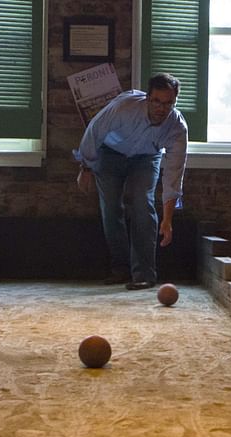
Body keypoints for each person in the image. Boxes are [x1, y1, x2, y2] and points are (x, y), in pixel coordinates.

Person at [75, 73, 188, 290]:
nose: (161, 108)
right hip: (109, 153)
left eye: (168, 103)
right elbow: (94, 131)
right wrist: (86, 167)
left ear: (174, 102)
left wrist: (168, 220)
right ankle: (120, 268)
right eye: (156, 101)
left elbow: (174, 175)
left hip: (147, 157)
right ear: (148, 97)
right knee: (110, 207)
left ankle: (144, 274)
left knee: (142, 203)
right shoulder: (124, 108)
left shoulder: (177, 128)